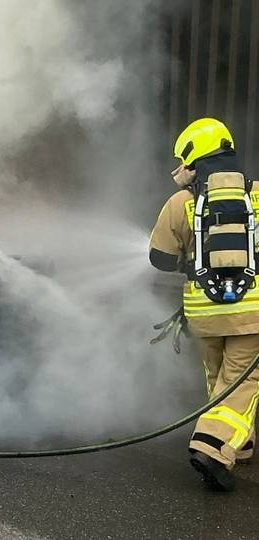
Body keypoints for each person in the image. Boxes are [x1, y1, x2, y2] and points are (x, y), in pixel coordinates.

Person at [149, 117, 259, 492]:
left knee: (219, 380)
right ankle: (212, 448)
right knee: (243, 382)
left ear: (197, 161)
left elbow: (160, 259)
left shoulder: (181, 203)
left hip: (204, 313)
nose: (177, 171)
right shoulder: (257, 195)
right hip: (250, 313)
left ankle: (239, 444)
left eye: (183, 162)